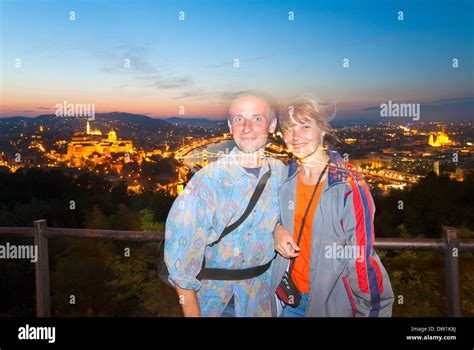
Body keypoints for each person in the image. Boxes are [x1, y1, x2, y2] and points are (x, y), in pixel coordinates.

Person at [271, 96, 394, 317]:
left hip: (330, 304)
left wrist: (373, 311)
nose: (295, 136)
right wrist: (277, 229)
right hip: (287, 298)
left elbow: (361, 261)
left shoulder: (348, 185)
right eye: (289, 129)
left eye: (305, 126)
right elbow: (272, 216)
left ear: (323, 130)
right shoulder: (285, 177)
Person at [165, 95, 286, 317]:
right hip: (220, 302)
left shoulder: (279, 173)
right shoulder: (206, 181)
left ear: (272, 125)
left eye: (257, 118)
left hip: (263, 299)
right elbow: (180, 264)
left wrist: (278, 228)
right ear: (230, 126)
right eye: (239, 119)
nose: (247, 127)